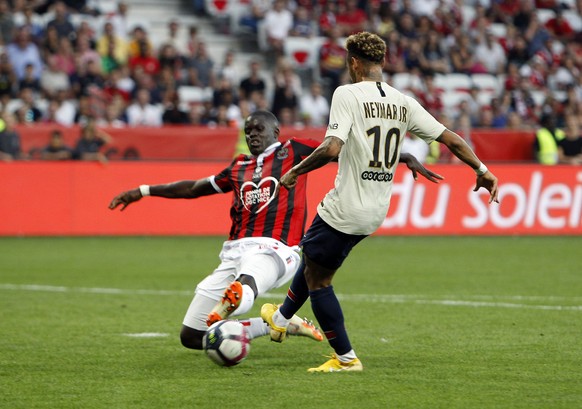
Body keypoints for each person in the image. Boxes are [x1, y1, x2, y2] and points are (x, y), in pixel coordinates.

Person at [260, 32, 499, 373]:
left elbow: (332, 147)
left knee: (318, 280)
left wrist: (294, 172)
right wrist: (482, 169)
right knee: (314, 259)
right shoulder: (404, 102)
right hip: (375, 209)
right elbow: (450, 138)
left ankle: (346, 358)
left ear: (353, 62)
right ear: (381, 62)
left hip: (345, 206)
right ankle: (281, 319)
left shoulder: (346, 93)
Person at [108, 109, 440, 351]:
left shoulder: (293, 151)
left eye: (259, 129)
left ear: (275, 131)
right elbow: (194, 187)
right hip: (233, 253)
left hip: (275, 250)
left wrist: (404, 155)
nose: (252, 134)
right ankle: (277, 323)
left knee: (242, 292)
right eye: (248, 129)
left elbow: (350, 152)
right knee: (192, 337)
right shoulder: (237, 166)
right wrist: (144, 190)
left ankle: (235, 310)